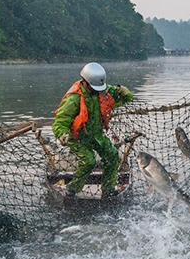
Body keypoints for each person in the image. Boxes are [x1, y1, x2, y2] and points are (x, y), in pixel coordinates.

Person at [53, 63, 132, 197]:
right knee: (89, 161)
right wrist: (62, 134)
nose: (97, 91)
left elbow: (125, 98)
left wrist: (126, 92)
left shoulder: (104, 91)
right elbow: (60, 122)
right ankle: (72, 190)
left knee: (112, 155)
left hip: (96, 135)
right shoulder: (74, 99)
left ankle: (108, 189)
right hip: (77, 137)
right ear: (85, 82)